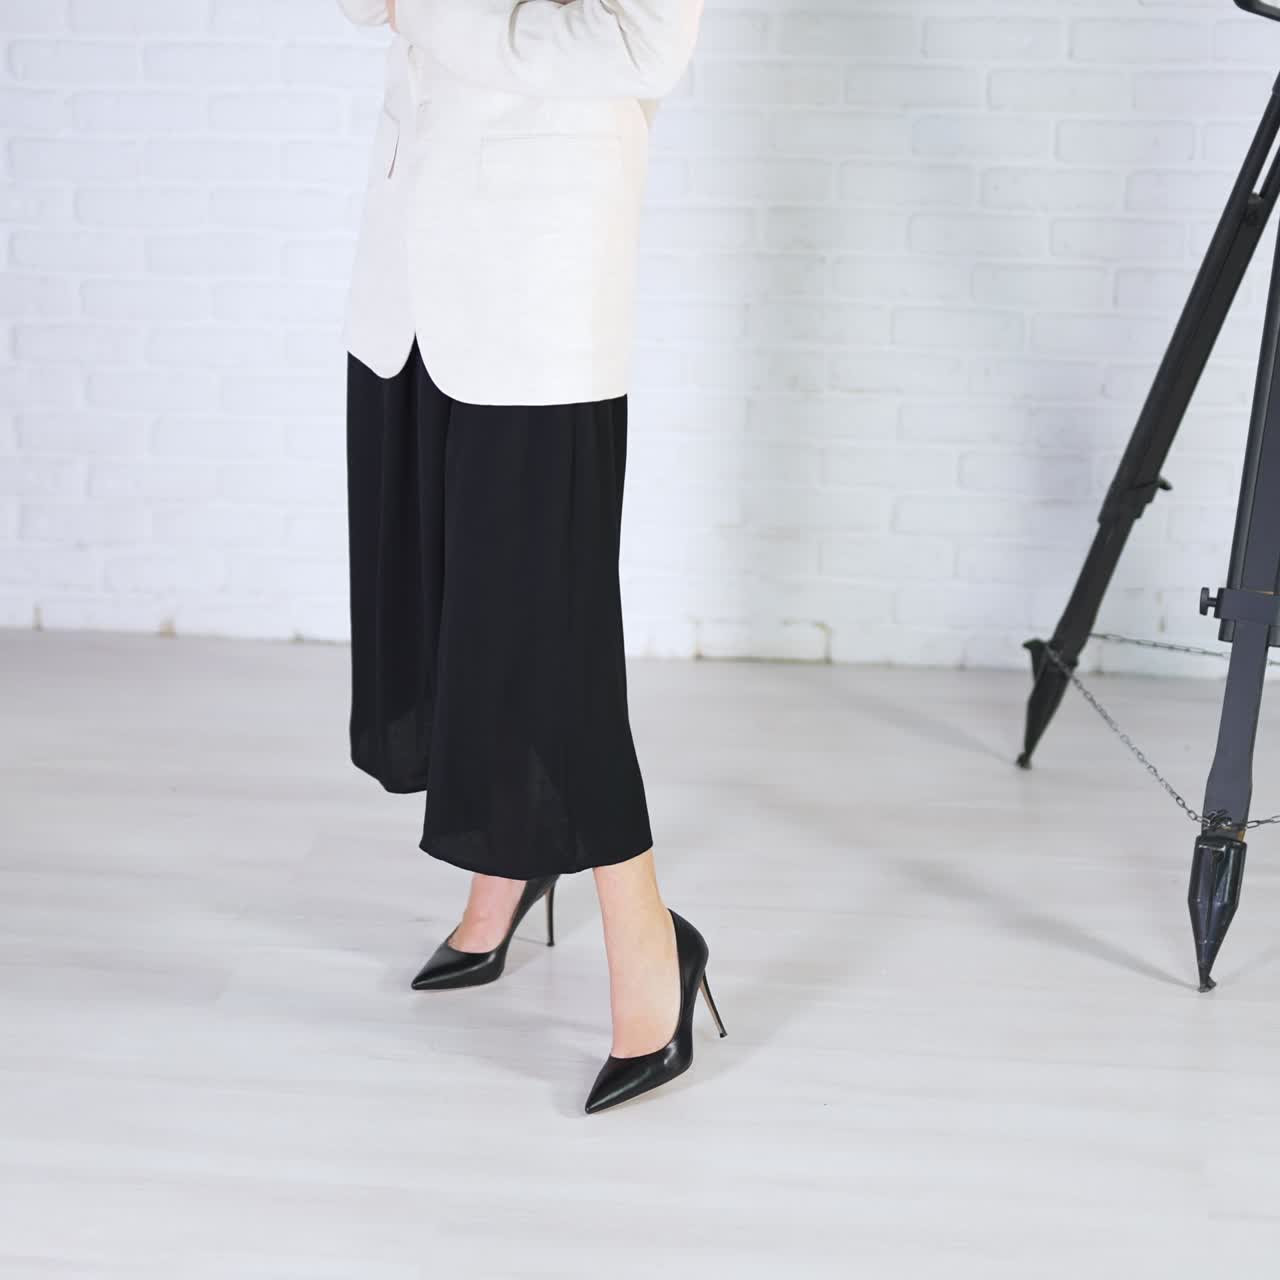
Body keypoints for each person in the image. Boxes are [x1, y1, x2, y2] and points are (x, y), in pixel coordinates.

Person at [336, 0, 726, 1114]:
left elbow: (647, 42)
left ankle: (652, 943)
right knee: (451, 590)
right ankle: (507, 860)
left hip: (539, 262)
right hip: (409, 254)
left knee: (545, 624)